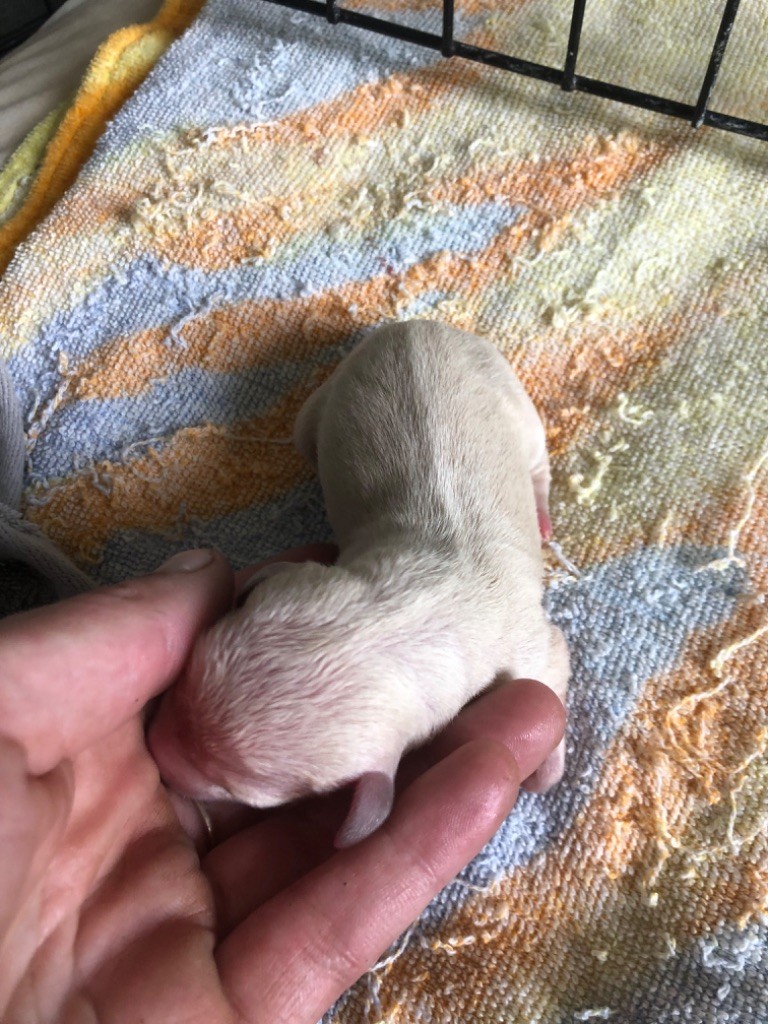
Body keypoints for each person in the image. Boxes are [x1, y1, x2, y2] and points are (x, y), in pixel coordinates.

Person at [0, 545, 565, 1023]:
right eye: (194, 676)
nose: (159, 747)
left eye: (225, 776)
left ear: (369, 790)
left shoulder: (509, 646)